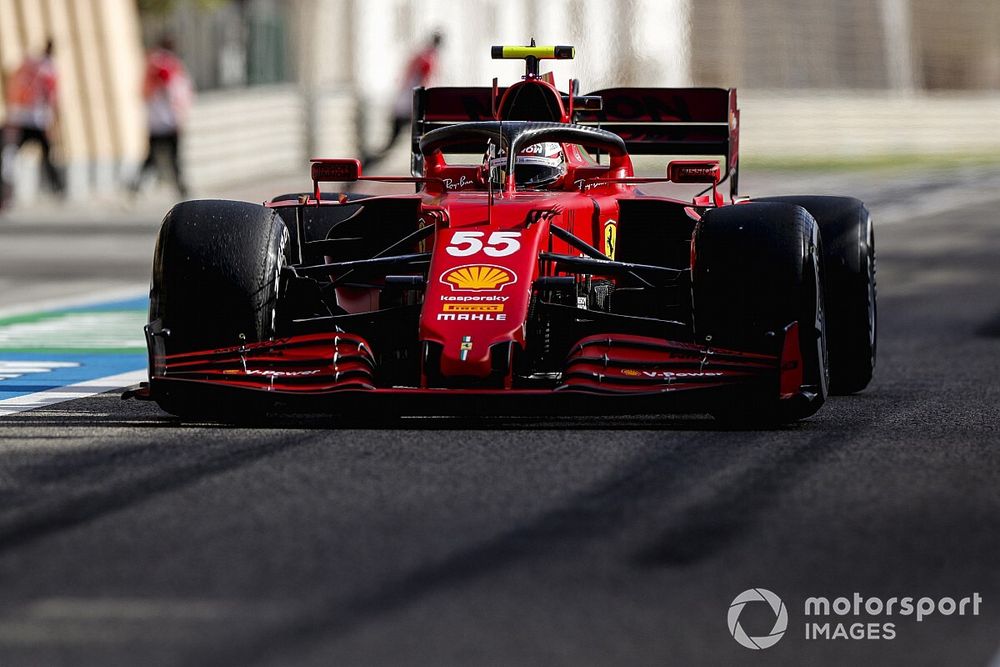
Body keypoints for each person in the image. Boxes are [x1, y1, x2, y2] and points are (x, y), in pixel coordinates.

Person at [363, 31, 443, 171]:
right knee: (419, 141)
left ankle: (366, 162)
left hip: (403, 105)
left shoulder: (420, 56)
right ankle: (366, 162)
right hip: (409, 107)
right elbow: (424, 84)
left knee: (394, 144)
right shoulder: (428, 59)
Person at [0, 40, 64, 209]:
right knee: (48, 155)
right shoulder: (49, 70)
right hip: (37, 120)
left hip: (17, 119)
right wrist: (55, 123)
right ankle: (57, 187)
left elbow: (13, 90)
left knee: (8, 156)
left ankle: (6, 194)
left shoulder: (26, 65)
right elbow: (52, 98)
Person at [131, 36, 193, 198]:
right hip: (167, 122)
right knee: (165, 159)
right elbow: (177, 94)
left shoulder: (155, 66)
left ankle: (180, 189)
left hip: (158, 122)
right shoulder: (167, 67)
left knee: (159, 159)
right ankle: (180, 189)